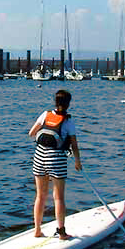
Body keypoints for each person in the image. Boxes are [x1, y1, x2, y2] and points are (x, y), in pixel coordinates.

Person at [28, 89, 82, 240]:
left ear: (55, 102)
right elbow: (74, 145)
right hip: (57, 160)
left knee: (40, 195)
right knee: (58, 197)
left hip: (39, 157)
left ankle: (37, 230)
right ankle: (62, 232)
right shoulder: (68, 121)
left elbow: (31, 133)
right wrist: (77, 161)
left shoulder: (45, 115)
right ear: (68, 104)